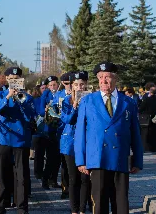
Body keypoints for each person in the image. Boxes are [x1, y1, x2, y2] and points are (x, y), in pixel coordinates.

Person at [74, 62, 143, 214]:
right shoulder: (88, 101)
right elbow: (80, 133)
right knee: (99, 203)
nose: (103, 81)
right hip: (97, 158)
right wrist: (81, 160)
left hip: (120, 158)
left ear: (115, 78)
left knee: (121, 203)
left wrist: (137, 160)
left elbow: (135, 133)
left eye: (107, 77)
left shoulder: (128, 103)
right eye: (100, 77)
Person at [0, 67, 36, 214]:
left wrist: (21, 101)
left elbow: (30, 117)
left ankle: (22, 207)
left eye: (17, 78)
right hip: (3, 139)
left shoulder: (27, 98)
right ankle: (0, 206)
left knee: (21, 176)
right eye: (11, 78)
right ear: (7, 79)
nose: (14, 80)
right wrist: (8, 97)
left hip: (20, 141)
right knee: (2, 176)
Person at [61, 71, 92, 214]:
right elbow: (67, 120)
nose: (79, 87)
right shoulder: (66, 101)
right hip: (70, 144)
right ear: (72, 86)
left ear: (86, 85)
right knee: (74, 179)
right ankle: (74, 210)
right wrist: (75, 106)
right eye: (76, 85)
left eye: (82, 84)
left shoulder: (91, 100)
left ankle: (82, 209)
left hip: (87, 143)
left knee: (85, 179)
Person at [38, 76, 62, 189]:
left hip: (59, 129)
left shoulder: (60, 93)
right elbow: (40, 111)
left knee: (58, 158)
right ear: (48, 86)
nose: (53, 87)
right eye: (51, 85)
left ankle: (54, 180)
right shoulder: (45, 95)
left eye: (54, 84)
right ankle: (45, 180)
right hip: (49, 129)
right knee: (50, 157)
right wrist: (47, 110)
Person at [139, 87, 156, 152]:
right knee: (154, 133)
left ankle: (145, 147)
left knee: (145, 134)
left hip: (146, 118)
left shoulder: (146, 100)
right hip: (155, 118)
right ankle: (155, 147)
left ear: (150, 92)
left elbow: (141, 109)